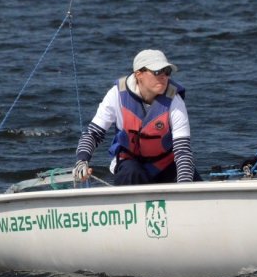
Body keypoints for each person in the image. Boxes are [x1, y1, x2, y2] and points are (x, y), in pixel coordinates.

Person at [72, 49, 200, 185]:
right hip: (130, 164)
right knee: (132, 171)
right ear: (139, 74)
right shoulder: (116, 94)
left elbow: (183, 150)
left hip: (165, 165)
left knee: (192, 180)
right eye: (157, 72)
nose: (164, 77)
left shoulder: (175, 100)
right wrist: (82, 161)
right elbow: (93, 134)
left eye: (167, 71)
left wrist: (184, 188)